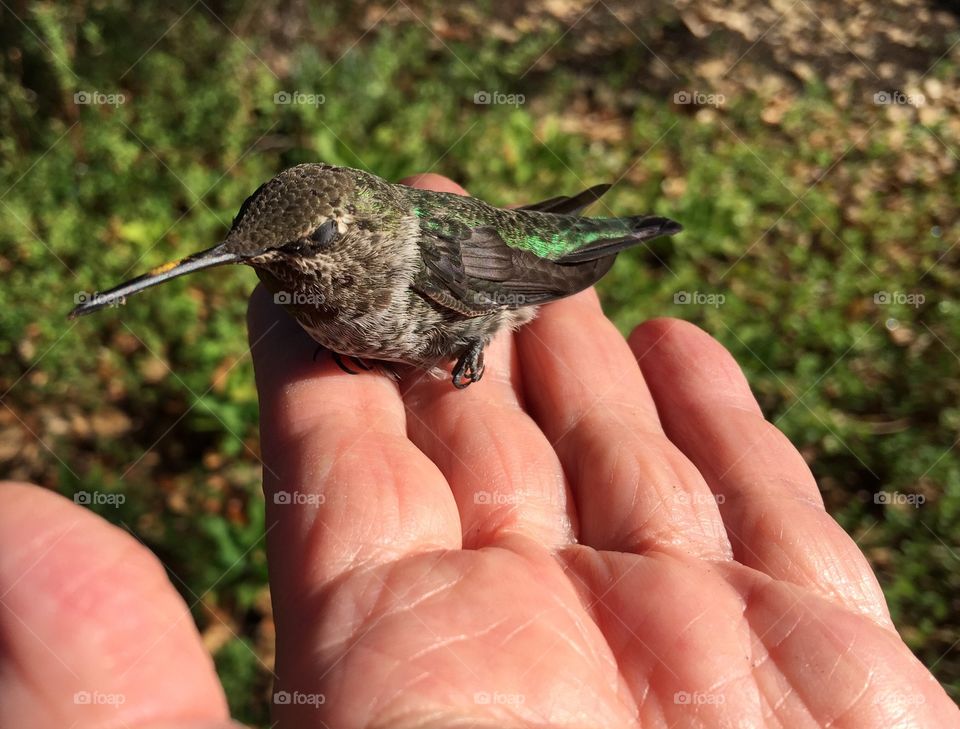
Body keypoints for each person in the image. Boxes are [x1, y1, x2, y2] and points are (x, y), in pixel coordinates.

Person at [0, 175, 955, 728]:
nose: (260, 262)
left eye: (304, 246)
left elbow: (524, 273)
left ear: (358, 230)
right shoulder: (298, 269)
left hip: (499, 269)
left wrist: (471, 333)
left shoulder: (428, 256)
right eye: (258, 249)